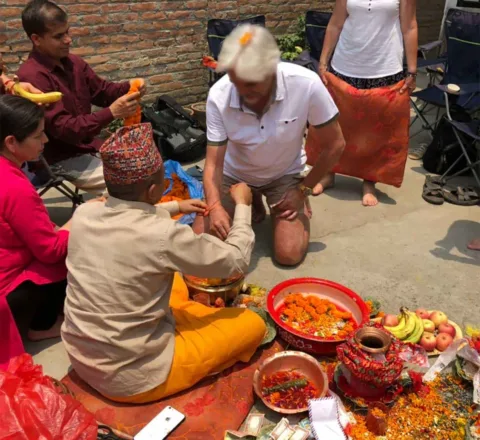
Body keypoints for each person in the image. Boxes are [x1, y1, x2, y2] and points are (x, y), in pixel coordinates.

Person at [61, 123, 266, 403]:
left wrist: (176, 207)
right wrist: (243, 205)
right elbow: (236, 260)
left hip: (81, 354)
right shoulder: (163, 236)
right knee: (252, 324)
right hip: (133, 377)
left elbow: (128, 212)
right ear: (155, 188)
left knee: (176, 282)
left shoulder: (85, 213)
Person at [192, 24, 346, 266]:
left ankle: (282, 203)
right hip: (235, 175)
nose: (246, 95)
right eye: (240, 85)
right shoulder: (220, 95)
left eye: (254, 86)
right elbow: (213, 164)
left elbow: (336, 145)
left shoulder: (306, 84)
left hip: (282, 173)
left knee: (289, 255)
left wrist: (303, 189)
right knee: (200, 245)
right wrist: (214, 205)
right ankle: (250, 197)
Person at [17, 0, 144, 192]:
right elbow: (65, 129)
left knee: (147, 163)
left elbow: (102, 91)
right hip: (62, 156)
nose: (68, 40)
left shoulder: (74, 63)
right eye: (59, 36)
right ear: (36, 39)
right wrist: (111, 113)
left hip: (90, 145)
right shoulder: (32, 76)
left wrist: (130, 87)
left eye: (67, 32)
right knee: (131, 181)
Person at [317, 0, 418, 206]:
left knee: (375, 131)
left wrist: (413, 70)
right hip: (345, 64)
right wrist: (323, 61)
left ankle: (369, 181)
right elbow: (336, 22)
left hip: (384, 67)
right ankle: (329, 173)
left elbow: (409, 27)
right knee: (339, 124)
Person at [0, 95, 69, 369]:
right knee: (71, 251)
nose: (46, 142)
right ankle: (43, 324)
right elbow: (50, 251)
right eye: (39, 136)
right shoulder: (14, 187)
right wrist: (74, 227)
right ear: (11, 143)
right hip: (6, 286)